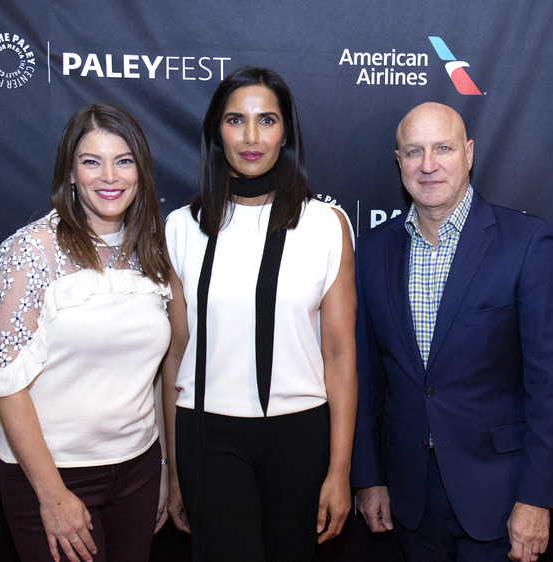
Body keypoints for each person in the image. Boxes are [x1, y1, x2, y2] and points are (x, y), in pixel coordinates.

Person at [352, 102, 553, 562]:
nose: (428, 165)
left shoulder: (528, 243)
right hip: (408, 495)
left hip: (501, 493)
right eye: (414, 151)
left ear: (469, 154)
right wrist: (369, 477)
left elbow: (551, 387)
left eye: (443, 148)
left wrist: (537, 498)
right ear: (399, 162)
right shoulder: (373, 251)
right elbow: (367, 377)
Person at [161, 67, 356, 562]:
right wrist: (174, 469)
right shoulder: (180, 228)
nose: (251, 137)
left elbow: (339, 355)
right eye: (235, 120)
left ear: (286, 132)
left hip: (300, 434)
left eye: (266, 120)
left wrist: (340, 471)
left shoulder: (326, 225)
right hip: (206, 435)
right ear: (215, 132)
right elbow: (176, 357)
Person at [0, 103, 172, 562]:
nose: (110, 176)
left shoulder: (152, 253)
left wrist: (162, 467)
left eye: (124, 161)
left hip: (138, 468)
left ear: (141, 173)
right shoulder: (29, 254)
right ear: (70, 173)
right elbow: (6, 387)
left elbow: (155, 373)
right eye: (92, 161)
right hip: (52, 474)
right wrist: (52, 495)